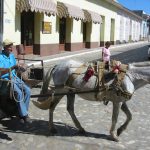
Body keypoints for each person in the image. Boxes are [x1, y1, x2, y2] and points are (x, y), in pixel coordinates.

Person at [0, 39, 32, 124]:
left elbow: (15, 68)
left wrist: (20, 68)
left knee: (28, 90)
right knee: (19, 93)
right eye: (10, 47)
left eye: (11, 46)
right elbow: (1, 71)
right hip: (6, 79)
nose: (11, 48)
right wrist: (13, 67)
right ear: (5, 47)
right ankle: (24, 115)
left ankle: (21, 113)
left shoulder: (11, 56)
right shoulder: (0, 57)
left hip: (15, 78)